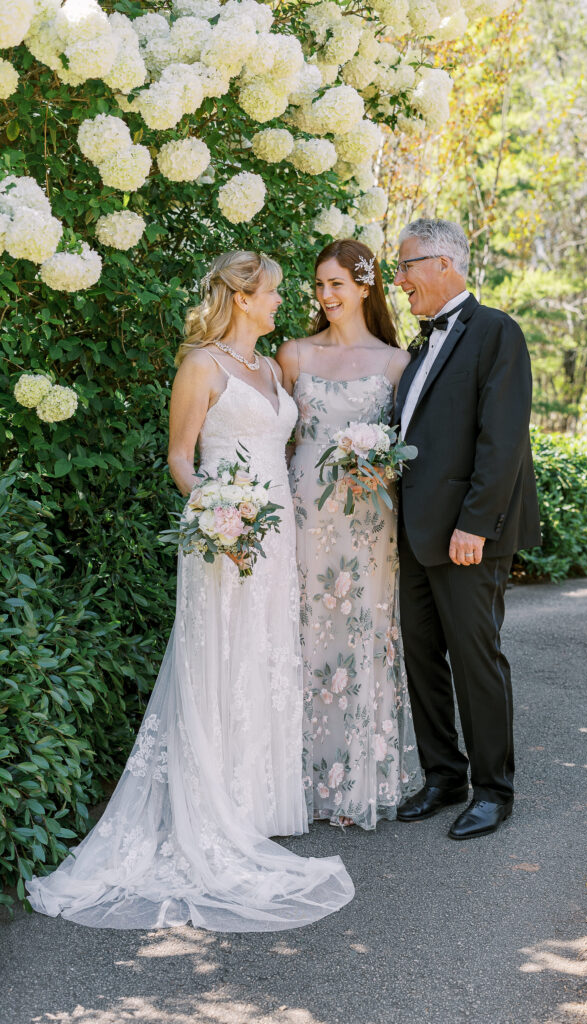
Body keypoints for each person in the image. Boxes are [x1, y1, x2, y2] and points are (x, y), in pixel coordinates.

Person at [27, 251, 354, 930]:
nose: (279, 303)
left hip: (276, 538)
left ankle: (253, 809)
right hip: (223, 537)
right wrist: (216, 514)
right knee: (218, 665)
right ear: (241, 297)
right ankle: (211, 813)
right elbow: (181, 457)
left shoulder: (268, 368)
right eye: (271, 293)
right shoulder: (201, 365)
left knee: (264, 659)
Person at [393, 219, 541, 840]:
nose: (399, 280)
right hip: (414, 531)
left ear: (444, 264)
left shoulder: (496, 331)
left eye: (406, 267)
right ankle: (443, 774)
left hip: (467, 535)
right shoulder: (422, 343)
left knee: (476, 659)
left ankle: (492, 790)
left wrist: (475, 524)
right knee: (422, 655)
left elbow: (501, 439)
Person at [277, 239, 422, 830]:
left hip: (366, 523)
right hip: (304, 511)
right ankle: (291, 781)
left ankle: (358, 779)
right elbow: (276, 437)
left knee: (360, 631)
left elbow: (411, 449)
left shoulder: (396, 363)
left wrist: (381, 464)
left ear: (365, 287)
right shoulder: (292, 354)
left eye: (337, 284)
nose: (326, 295)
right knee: (300, 632)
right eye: (319, 285)